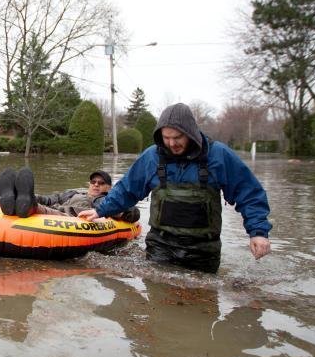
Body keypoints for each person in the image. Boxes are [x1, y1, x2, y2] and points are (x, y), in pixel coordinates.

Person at [78, 103, 272, 273]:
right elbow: (128, 188)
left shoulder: (218, 155)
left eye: (177, 137)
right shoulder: (151, 157)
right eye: (166, 138)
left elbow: (249, 194)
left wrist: (258, 233)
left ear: (191, 133)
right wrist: (101, 209)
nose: (171, 143)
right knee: (158, 301)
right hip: (161, 245)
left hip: (203, 249)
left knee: (203, 306)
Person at [33, 169, 140, 222]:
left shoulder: (107, 201)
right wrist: (36, 198)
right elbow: (50, 199)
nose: (96, 184)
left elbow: (133, 211)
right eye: (93, 182)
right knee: (42, 200)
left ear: (109, 188)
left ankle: (32, 206)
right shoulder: (73, 193)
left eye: (101, 183)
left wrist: (120, 211)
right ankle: (27, 198)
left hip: (67, 217)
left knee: (54, 209)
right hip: (52, 210)